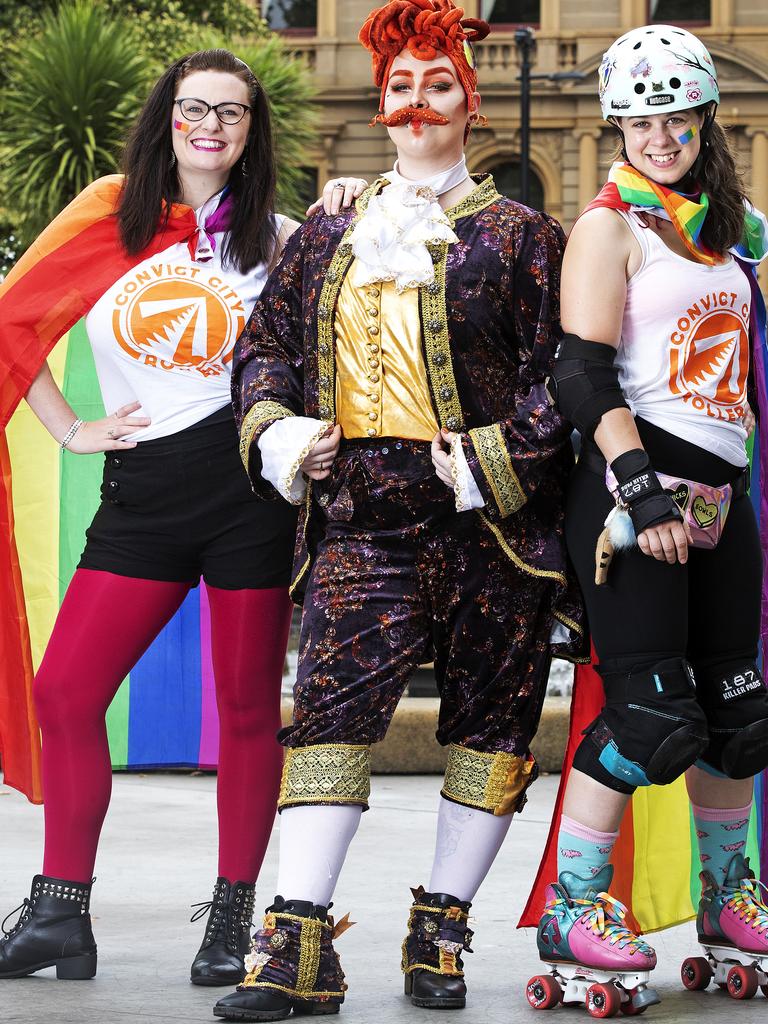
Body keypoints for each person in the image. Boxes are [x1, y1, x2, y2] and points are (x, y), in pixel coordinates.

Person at [214, 3, 585, 1019]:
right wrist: (281, 431)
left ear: (468, 101)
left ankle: (442, 930)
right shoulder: (331, 226)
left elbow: (571, 375)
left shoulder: (522, 236)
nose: (418, 104)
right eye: (402, 87)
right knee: (331, 717)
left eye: (438, 85)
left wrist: (501, 455)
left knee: (490, 728)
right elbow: (266, 349)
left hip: (489, 525)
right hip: (360, 515)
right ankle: (296, 941)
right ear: (381, 102)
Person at [0, 48, 364, 986]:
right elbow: (13, 320)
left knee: (246, 711)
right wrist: (71, 427)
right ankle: (60, 913)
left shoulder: (281, 238)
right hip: (143, 502)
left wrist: (350, 207)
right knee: (66, 694)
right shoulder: (105, 214)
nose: (211, 126)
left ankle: (231, 921)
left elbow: (354, 320)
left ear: (252, 132)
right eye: (194, 108)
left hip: (249, 499)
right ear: (167, 115)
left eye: (232, 114)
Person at [529, 25, 768, 1012]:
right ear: (615, 122)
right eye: (639, 117)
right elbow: (581, 374)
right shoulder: (608, 225)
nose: (659, 135)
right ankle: (574, 908)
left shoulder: (734, 225)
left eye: (675, 114)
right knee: (651, 714)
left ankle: (729, 900)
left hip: (726, 493)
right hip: (639, 490)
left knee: (741, 715)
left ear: (704, 116)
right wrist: (641, 489)